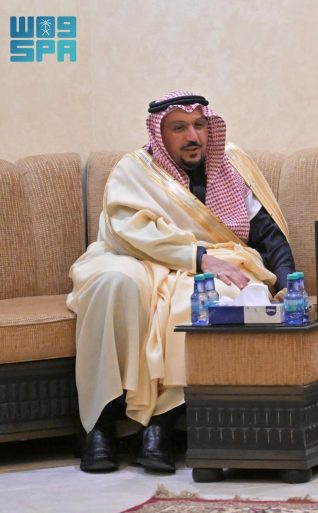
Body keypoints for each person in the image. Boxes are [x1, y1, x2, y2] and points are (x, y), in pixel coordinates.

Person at [67, 90, 295, 473]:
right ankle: (100, 426)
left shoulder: (230, 169)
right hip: (132, 257)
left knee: (200, 295)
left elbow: (268, 234)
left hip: (208, 262)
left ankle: (161, 427)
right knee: (113, 285)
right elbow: (130, 233)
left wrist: (287, 285)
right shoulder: (133, 171)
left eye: (199, 125)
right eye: (179, 128)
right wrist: (199, 257)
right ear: (159, 133)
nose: (193, 136)